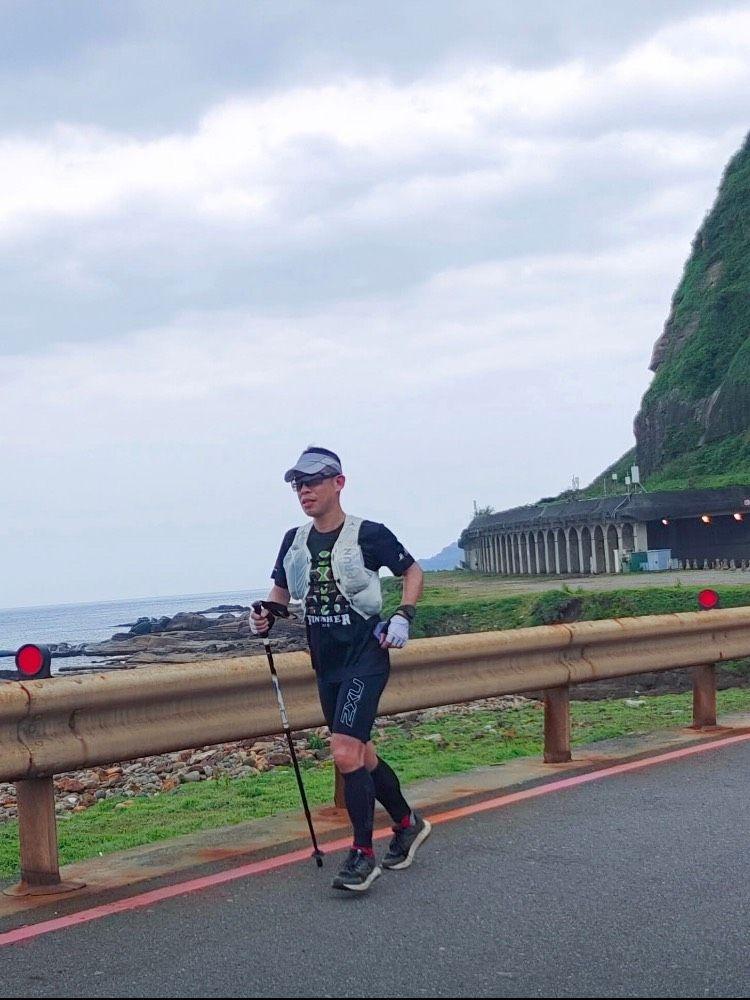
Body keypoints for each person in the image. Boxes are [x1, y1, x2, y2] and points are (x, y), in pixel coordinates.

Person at [250, 445, 430, 892]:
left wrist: (404, 615)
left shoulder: (369, 534)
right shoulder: (294, 540)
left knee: (346, 752)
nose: (304, 491)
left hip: (365, 659)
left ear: (338, 483)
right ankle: (406, 822)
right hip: (326, 663)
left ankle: (362, 855)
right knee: (362, 755)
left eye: (312, 482)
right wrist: (264, 616)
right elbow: (280, 595)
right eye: (298, 484)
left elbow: (412, 572)